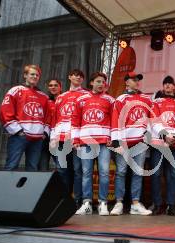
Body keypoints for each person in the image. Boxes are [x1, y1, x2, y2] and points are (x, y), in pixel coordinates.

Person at [109, 72, 152, 216]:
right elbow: (115, 119)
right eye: (134, 80)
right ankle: (119, 202)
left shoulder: (146, 98)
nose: (137, 82)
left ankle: (135, 203)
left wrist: (149, 136)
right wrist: (116, 141)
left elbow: (152, 118)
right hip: (124, 143)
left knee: (138, 172)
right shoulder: (121, 99)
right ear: (127, 82)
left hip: (140, 142)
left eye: (138, 79)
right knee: (121, 172)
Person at [72, 72, 114, 216]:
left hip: (103, 142)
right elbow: (75, 120)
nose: (101, 84)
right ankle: (87, 203)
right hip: (85, 142)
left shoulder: (110, 100)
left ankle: (103, 203)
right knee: (86, 173)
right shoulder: (81, 99)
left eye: (103, 82)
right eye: (98, 81)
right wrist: (76, 139)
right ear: (91, 83)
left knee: (104, 172)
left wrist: (112, 138)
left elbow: (114, 121)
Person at [0, 64, 50, 171]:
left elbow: (48, 117)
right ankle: (7, 188)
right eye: (32, 74)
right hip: (19, 136)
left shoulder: (44, 96)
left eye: (37, 75)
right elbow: (5, 112)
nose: (35, 77)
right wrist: (17, 131)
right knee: (12, 166)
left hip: (37, 139)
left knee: (32, 169)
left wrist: (44, 133)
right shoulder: (16, 90)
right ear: (25, 75)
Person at [50, 69, 89, 207]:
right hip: (61, 138)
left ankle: (77, 200)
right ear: (69, 77)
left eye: (81, 76)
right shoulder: (61, 97)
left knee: (78, 170)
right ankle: (63, 200)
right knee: (62, 170)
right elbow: (55, 119)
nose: (78, 77)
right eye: (75, 75)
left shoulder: (87, 95)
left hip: (77, 139)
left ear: (83, 80)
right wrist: (53, 138)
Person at [149, 75, 175, 216]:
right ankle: (157, 205)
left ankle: (171, 205)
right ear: (163, 87)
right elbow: (154, 119)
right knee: (157, 174)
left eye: (171, 84)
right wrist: (165, 135)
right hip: (159, 143)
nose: (168, 86)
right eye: (166, 84)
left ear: (174, 87)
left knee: (174, 175)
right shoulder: (156, 102)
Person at [39, 79, 62, 171]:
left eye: (56, 85)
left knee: (61, 168)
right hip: (45, 138)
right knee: (42, 167)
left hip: (59, 138)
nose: (53, 87)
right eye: (51, 85)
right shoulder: (46, 101)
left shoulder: (65, 101)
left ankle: (62, 185)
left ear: (60, 87)